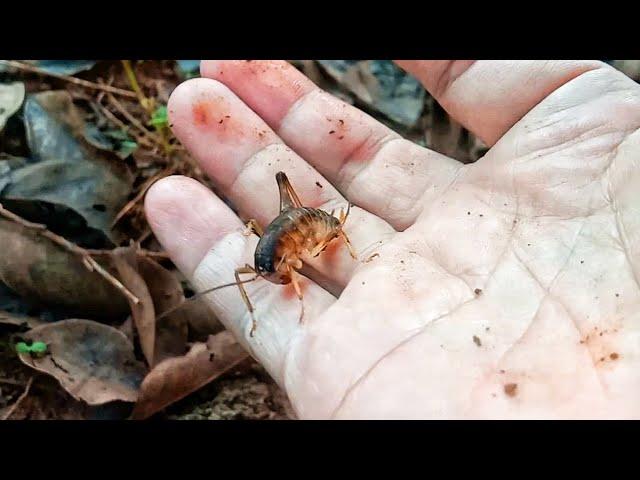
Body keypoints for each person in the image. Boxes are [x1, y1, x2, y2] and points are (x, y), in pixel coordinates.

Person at [144, 60, 640, 419]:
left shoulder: (296, 250)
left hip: (307, 226)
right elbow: (264, 266)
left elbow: (288, 261)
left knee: (295, 231)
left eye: (275, 273)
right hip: (288, 233)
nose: (272, 278)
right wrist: (258, 304)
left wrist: (299, 272)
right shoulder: (266, 262)